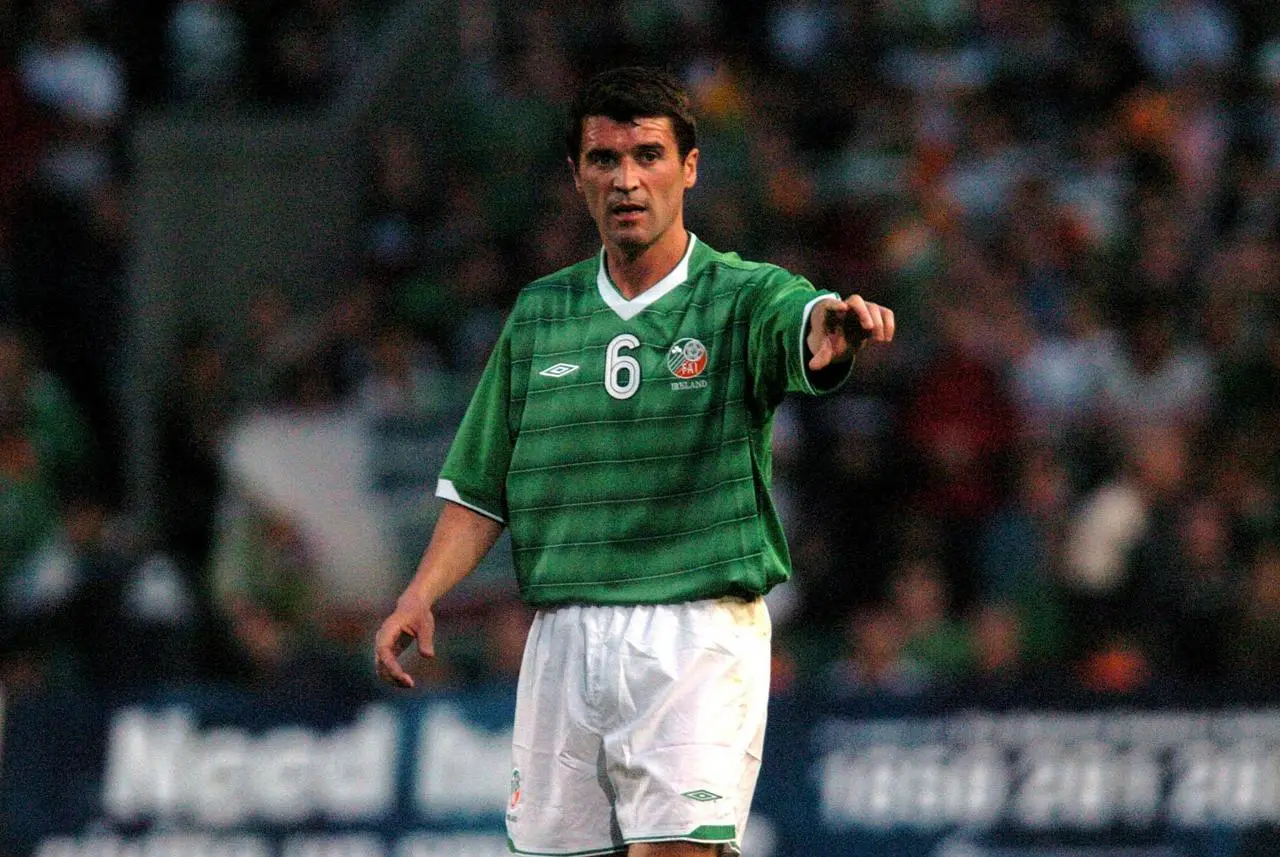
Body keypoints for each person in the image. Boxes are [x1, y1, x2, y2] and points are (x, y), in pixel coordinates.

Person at [374, 66, 895, 857]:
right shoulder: (541, 313)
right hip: (562, 634)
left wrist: (829, 326)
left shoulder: (739, 295)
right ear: (576, 176)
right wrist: (420, 592)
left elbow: (802, 322)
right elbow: (479, 488)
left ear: (689, 168)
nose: (627, 179)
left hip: (693, 627)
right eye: (604, 159)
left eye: (648, 155)